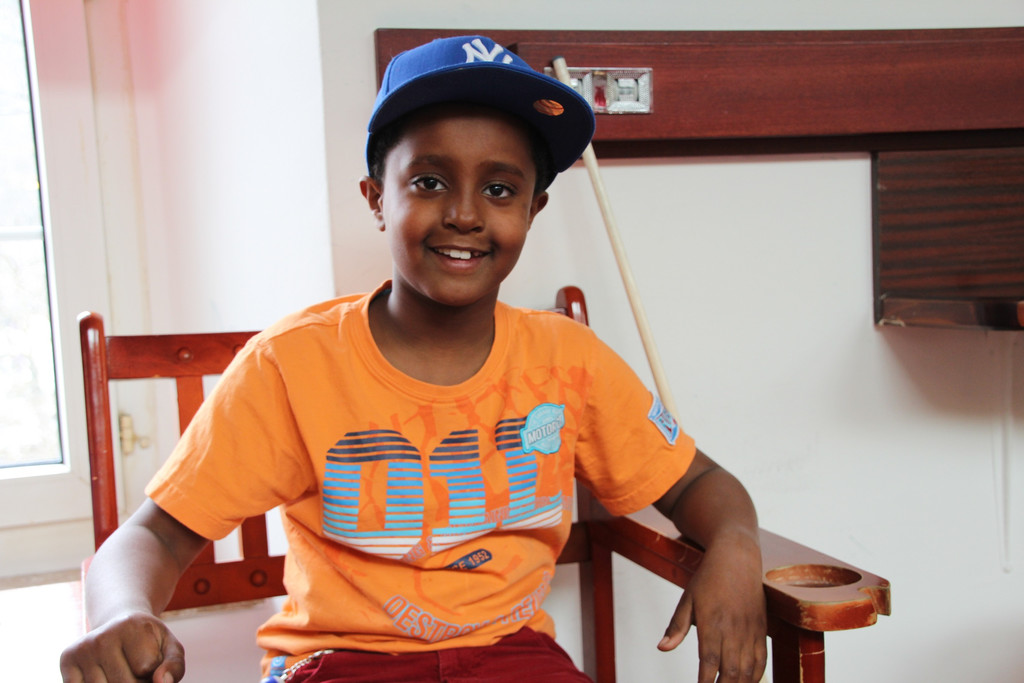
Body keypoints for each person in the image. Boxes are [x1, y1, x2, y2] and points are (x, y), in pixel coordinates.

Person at [59, 35, 766, 683]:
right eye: (429, 182)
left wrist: (736, 545)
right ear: (376, 199)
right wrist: (121, 613)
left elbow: (699, 481)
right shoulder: (290, 366)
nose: (465, 214)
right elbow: (153, 534)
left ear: (533, 209)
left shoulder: (567, 361)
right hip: (340, 663)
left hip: (512, 658)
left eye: (499, 189)